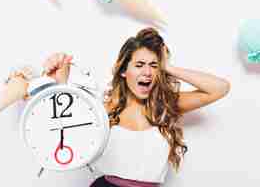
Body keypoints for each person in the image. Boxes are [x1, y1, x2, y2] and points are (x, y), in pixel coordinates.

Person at [42, 27, 231, 187]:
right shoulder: (104, 107)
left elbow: (220, 88)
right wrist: (61, 82)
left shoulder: (166, 105)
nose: (147, 72)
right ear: (124, 70)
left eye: (153, 66)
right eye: (139, 65)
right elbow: (63, 129)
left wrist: (168, 67)